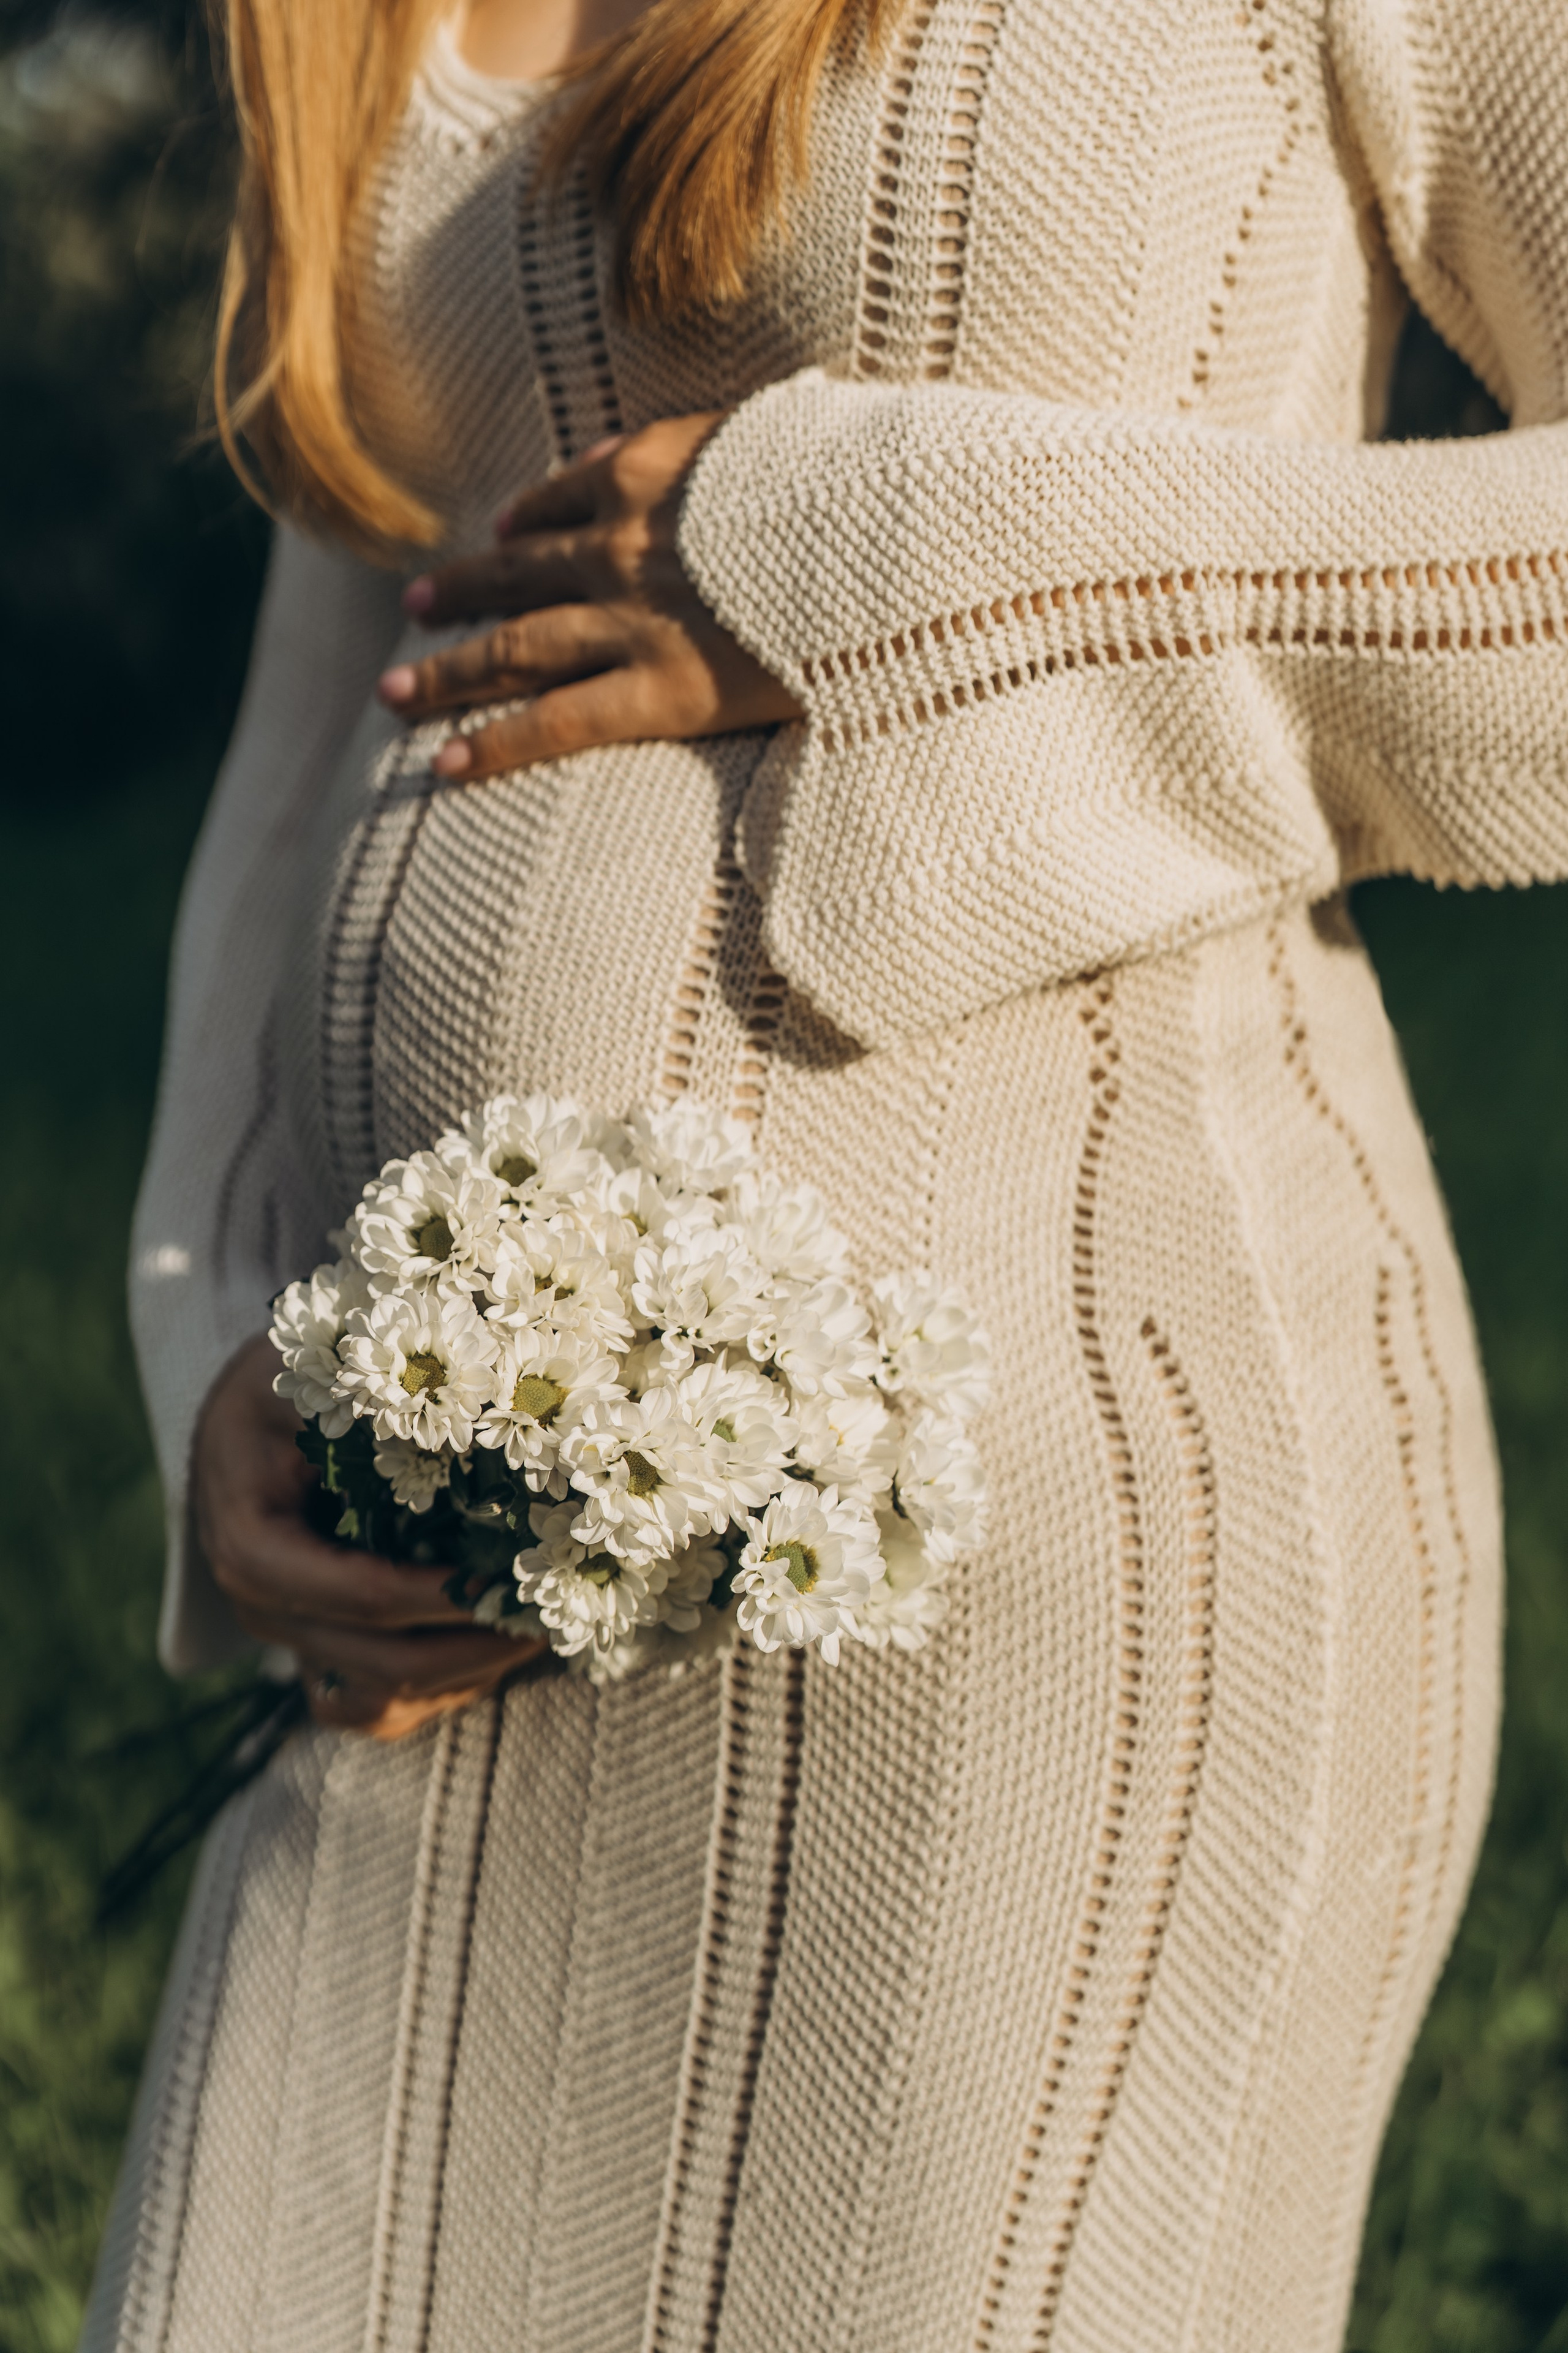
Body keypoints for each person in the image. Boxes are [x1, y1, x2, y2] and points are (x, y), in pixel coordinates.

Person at [84, 0, 1568, 2344]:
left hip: (1054, 1581)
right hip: (432, 1598)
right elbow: (324, 718)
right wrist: (221, 1330)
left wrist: (916, 561)